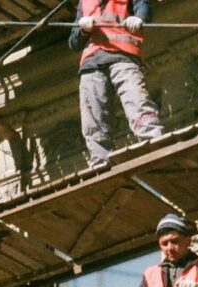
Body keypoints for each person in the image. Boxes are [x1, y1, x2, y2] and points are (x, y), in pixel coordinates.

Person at [68, 0, 165, 168]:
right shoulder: (84, 1)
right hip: (92, 63)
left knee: (135, 99)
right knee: (93, 116)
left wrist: (139, 18)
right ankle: (100, 159)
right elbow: (73, 42)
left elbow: (143, 7)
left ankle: (152, 138)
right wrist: (82, 30)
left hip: (122, 55)